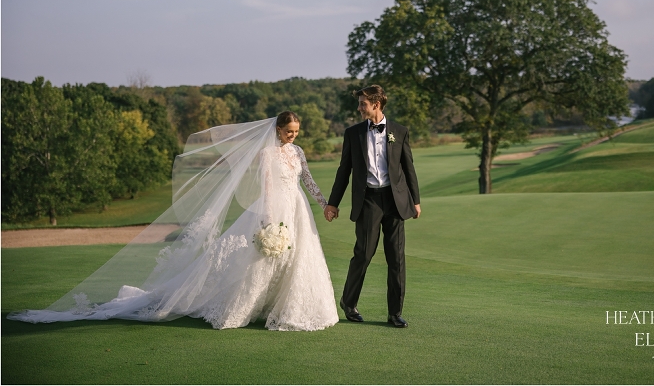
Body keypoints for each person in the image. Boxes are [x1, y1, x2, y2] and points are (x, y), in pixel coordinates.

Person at [8, 111, 339, 331]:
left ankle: (287, 308)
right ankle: (245, 307)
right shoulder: (267, 154)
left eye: (296, 132)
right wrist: (268, 222)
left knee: (298, 260)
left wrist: (324, 203)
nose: (293, 136)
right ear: (278, 130)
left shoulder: (298, 154)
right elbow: (267, 187)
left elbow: (307, 180)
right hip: (273, 210)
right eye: (289, 131)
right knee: (258, 261)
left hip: (296, 209)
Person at [323, 85, 421, 328]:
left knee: (396, 258)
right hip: (368, 200)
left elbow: (409, 168)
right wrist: (333, 203)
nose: (359, 108)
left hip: (395, 201)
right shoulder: (352, 133)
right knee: (364, 253)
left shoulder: (399, 131)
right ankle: (348, 301)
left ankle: (394, 313)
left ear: (376, 104)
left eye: (363, 104)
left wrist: (415, 201)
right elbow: (344, 170)